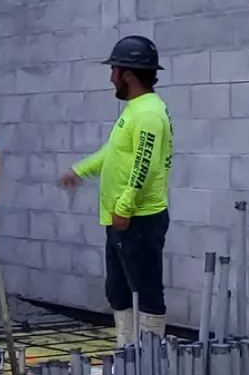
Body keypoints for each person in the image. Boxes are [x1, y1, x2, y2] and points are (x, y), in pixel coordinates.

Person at [59, 35, 172, 347]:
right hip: (123, 220)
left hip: (138, 219)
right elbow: (113, 152)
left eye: (115, 70)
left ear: (129, 75)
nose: (111, 77)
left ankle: (148, 363)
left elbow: (144, 165)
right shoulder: (136, 110)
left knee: (146, 292)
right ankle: (127, 352)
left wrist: (124, 207)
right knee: (119, 291)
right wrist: (80, 170)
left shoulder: (147, 113)